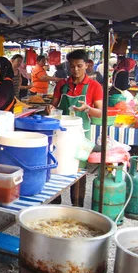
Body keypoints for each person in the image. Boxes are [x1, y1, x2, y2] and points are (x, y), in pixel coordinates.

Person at [50, 49, 103, 207]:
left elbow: (100, 113)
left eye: (79, 66)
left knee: (78, 172)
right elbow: (53, 104)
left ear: (87, 65)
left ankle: (77, 207)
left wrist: (87, 108)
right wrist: (50, 108)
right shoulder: (61, 84)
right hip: (60, 135)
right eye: (72, 66)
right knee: (56, 168)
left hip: (81, 137)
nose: (75, 70)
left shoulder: (94, 86)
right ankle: (54, 203)